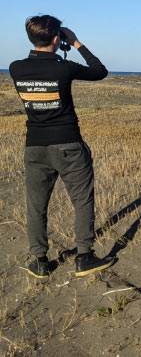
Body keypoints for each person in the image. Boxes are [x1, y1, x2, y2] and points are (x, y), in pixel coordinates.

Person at [9, 15, 114, 279]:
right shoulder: (63, 68)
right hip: (68, 144)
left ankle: (41, 261)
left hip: (34, 147)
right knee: (82, 200)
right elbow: (99, 71)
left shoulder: (15, 68)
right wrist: (76, 43)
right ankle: (84, 256)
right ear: (58, 39)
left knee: (36, 205)